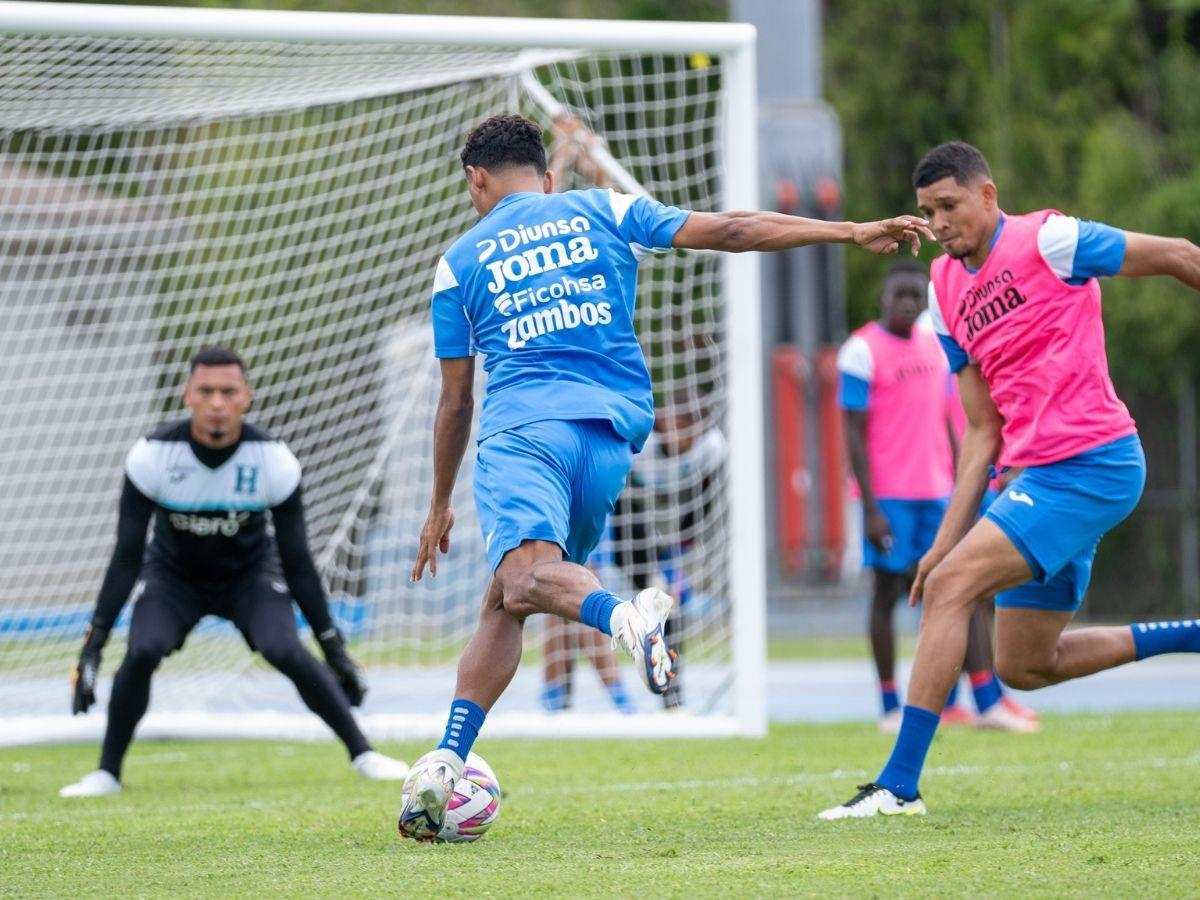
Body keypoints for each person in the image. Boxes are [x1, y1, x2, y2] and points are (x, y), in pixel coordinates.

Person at [400, 113, 932, 839]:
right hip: (611, 442)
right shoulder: (604, 209)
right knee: (509, 598)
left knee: (526, 580)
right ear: (548, 177)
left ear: (475, 180)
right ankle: (446, 764)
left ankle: (628, 617)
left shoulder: (460, 261)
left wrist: (437, 503)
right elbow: (736, 231)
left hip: (524, 435)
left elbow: (457, 400)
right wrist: (848, 231)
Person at [819, 141, 1200, 820]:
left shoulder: (1050, 240)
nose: (938, 223)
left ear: (988, 195)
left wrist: (946, 567)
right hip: (1034, 475)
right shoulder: (942, 287)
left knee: (951, 590)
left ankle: (897, 786)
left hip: (1092, 463)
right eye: (928, 212)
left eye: (950, 206)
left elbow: (1178, 254)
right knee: (1029, 664)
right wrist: (942, 542)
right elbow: (981, 433)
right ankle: (1190, 635)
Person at [59, 347, 408, 798]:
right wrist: (93, 647)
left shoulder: (273, 460)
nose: (217, 403)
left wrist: (334, 648)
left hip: (249, 576)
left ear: (247, 398)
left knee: (283, 646)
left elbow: (298, 563)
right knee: (143, 649)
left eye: (228, 391)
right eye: (206, 391)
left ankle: (364, 753)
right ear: (187, 395)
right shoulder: (152, 456)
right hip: (173, 576)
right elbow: (126, 557)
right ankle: (106, 772)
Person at [838, 262, 1035, 734]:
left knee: (955, 590)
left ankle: (985, 701)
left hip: (939, 493)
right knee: (887, 594)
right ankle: (889, 704)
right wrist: (868, 508)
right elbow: (853, 434)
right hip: (888, 499)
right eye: (898, 295)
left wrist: (961, 484)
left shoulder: (934, 346)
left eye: (914, 296)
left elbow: (948, 422)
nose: (907, 303)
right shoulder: (859, 351)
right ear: (883, 299)